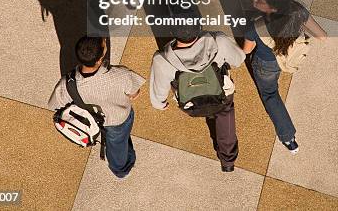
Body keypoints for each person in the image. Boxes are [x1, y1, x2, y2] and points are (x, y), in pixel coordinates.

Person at [243, 0, 327, 154]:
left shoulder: (257, 27)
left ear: (272, 9)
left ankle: (287, 134)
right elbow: (322, 36)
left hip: (265, 64)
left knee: (270, 94)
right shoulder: (298, 11)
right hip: (286, 58)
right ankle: (290, 141)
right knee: (272, 93)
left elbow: (246, 50)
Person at [150, 27, 246, 172]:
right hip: (220, 94)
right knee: (226, 112)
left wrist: (160, 103)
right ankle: (227, 160)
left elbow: (158, 93)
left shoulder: (161, 60)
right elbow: (239, 59)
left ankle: (206, 110)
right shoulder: (219, 41)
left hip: (191, 103)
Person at [48, 37, 145, 178]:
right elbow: (134, 93)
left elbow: (54, 104)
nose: (105, 40)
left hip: (92, 120)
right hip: (118, 119)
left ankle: (119, 166)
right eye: (104, 43)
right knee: (117, 143)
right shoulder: (121, 75)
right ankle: (120, 169)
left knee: (117, 142)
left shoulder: (67, 83)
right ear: (99, 60)